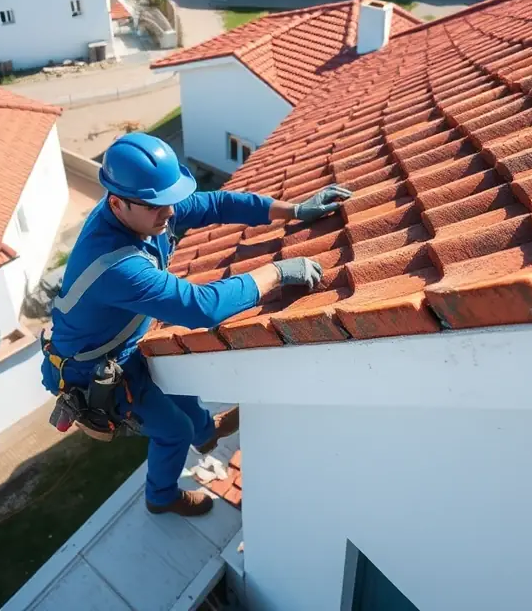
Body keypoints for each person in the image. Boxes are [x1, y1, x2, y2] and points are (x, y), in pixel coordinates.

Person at [41, 132, 351, 517]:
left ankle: (207, 434)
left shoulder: (144, 209)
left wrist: (294, 210)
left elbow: (215, 203)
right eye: (158, 207)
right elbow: (200, 307)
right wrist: (276, 271)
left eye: (170, 202)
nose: (170, 213)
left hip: (122, 347)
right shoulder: (114, 264)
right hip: (93, 370)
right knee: (174, 431)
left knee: (183, 390)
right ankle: (161, 496)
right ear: (118, 204)